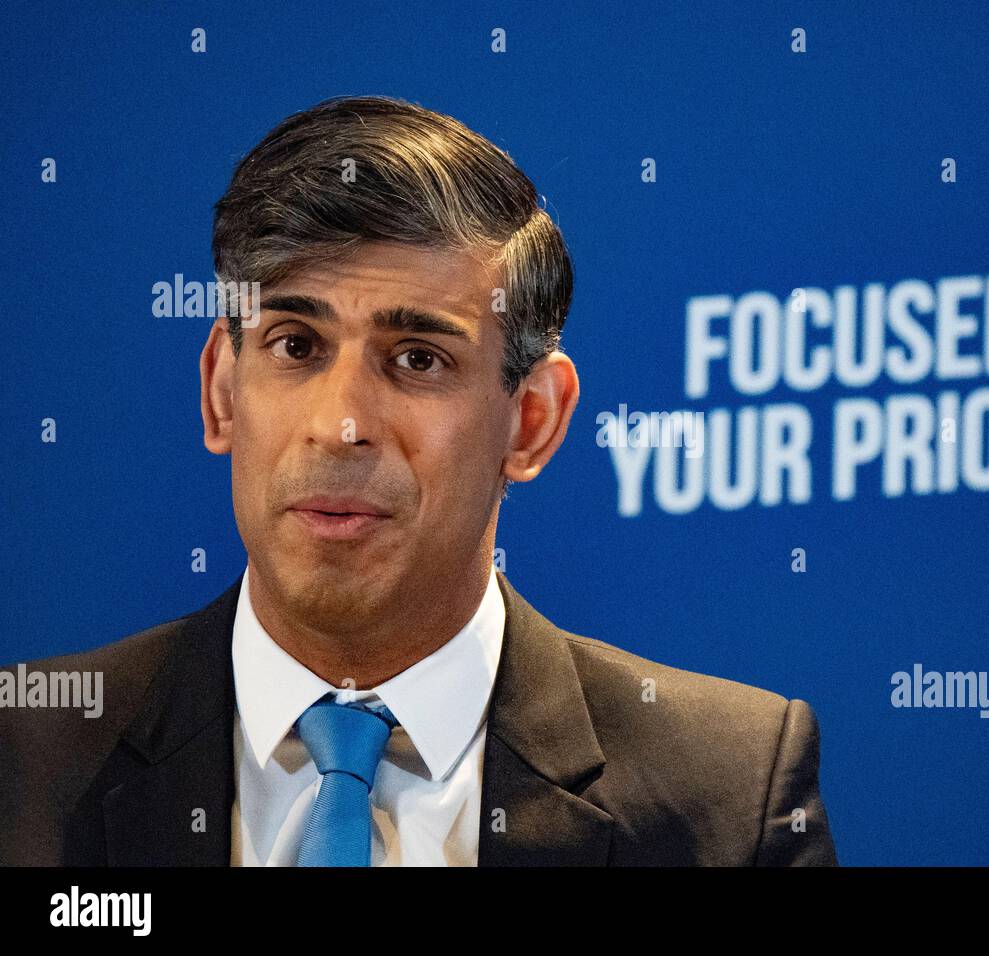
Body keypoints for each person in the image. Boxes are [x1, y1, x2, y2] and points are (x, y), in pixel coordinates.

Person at [0, 95, 836, 866]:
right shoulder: (24, 752)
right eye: (295, 345)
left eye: (417, 359)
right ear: (223, 391)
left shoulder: (728, 794)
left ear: (532, 419)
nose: (341, 425)